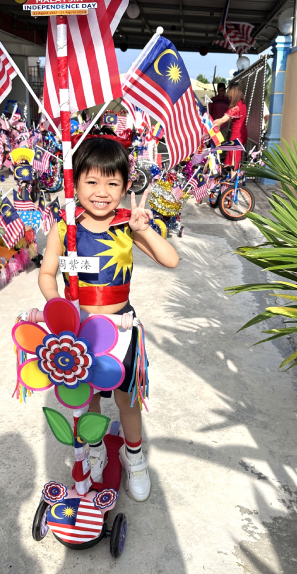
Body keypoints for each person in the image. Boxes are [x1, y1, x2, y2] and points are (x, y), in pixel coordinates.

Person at [37, 137, 179, 502]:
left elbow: (170, 260)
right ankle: (96, 448)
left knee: (127, 400)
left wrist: (144, 228)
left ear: (125, 186)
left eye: (112, 183)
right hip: (80, 332)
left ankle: (134, 455)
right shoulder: (63, 228)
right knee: (90, 398)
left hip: (122, 330)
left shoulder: (126, 225)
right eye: (92, 182)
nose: (102, 192)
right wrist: (57, 307)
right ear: (75, 183)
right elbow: (47, 273)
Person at [212, 84, 247, 168]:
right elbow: (231, 118)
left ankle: (233, 178)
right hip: (241, 133)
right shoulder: (242, 104)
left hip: (237, 135)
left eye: (230, 93)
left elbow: (222, 120)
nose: (228, 95)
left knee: (233, 161)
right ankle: (234, 178)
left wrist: (210, 124)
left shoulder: (236, 107)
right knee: (234, 158)